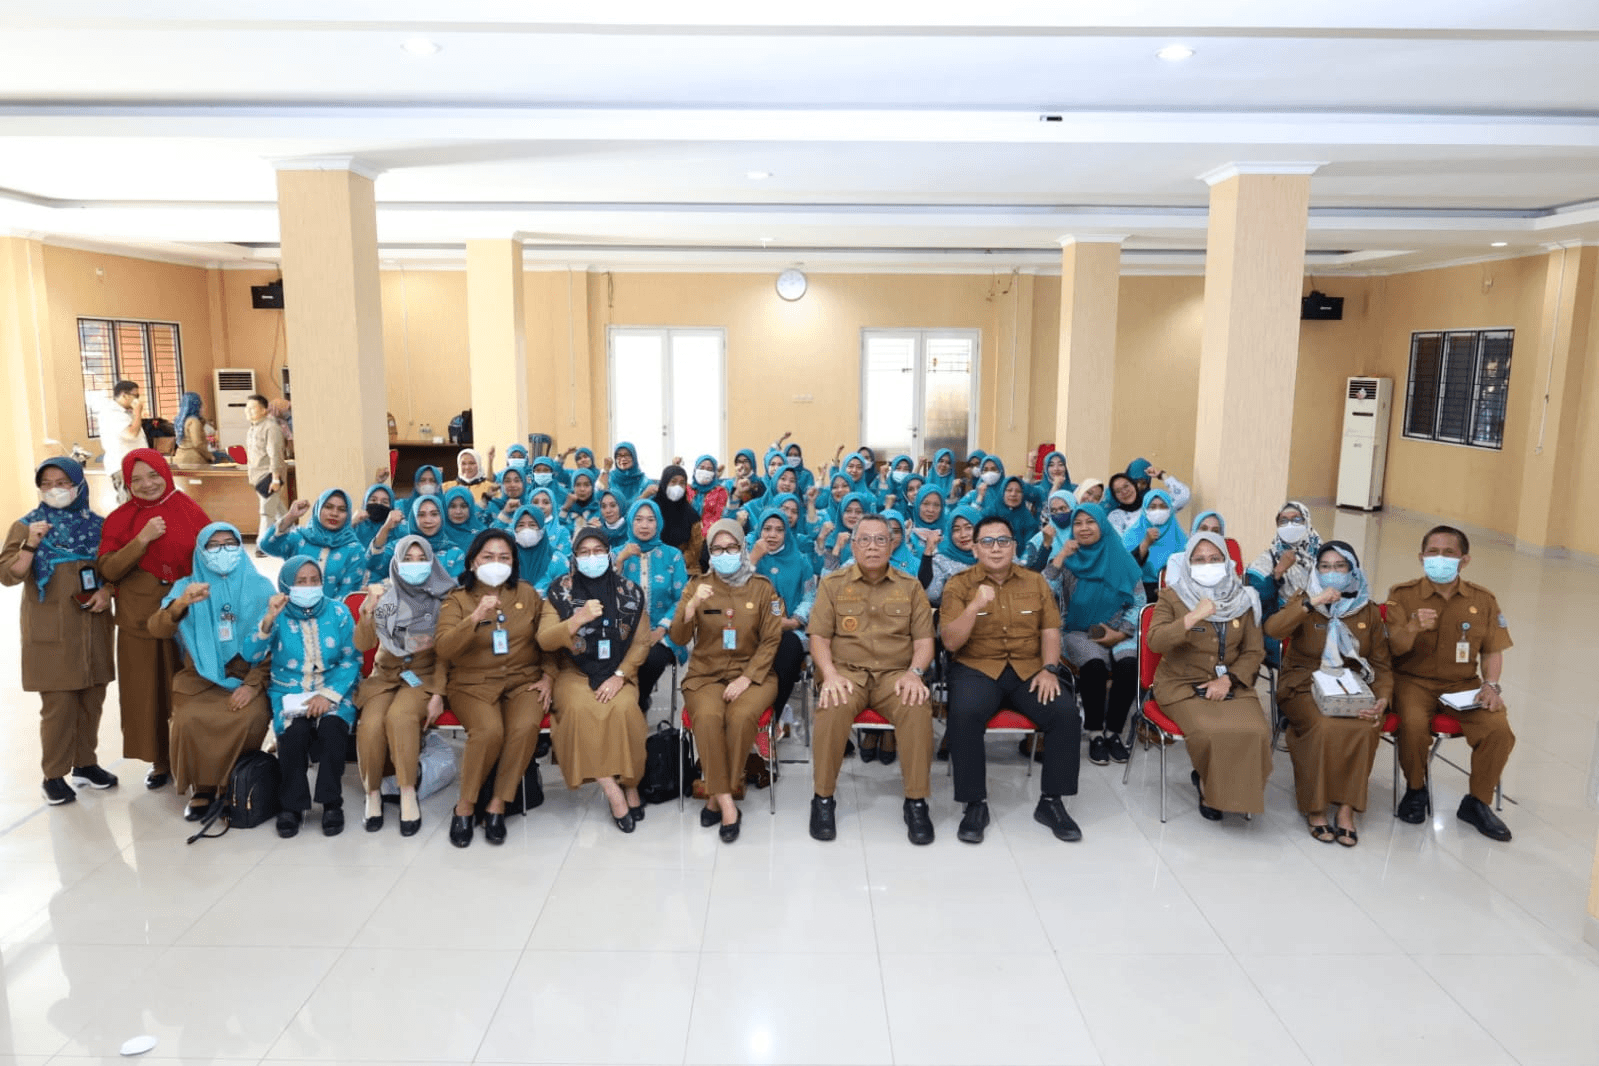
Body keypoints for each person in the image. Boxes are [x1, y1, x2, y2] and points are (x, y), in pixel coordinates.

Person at [940, 516, 1083, 844]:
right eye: (987, 542)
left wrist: (1049, 669)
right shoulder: (959, 585)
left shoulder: (1035, 583)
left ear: (1014, 546)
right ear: (975, 549)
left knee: (1065, 713)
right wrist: (975, 606)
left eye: (1003, 541)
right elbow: (950, 642)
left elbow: (1050, 630)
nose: (996, 548)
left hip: (1029, 669)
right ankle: (974, 804)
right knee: (964, 714)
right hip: (977, 667)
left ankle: (1051, 802)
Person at [807, 515, 937, 845]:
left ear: (892, 545)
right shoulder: (833, 584)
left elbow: (925, 641)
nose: (873, 547)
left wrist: (915, 673)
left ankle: (916, 802)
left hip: (896, 675)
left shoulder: (911, 587)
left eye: (881, 539)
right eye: (864, 540)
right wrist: (830, 674)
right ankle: (823, 799)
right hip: (847, 674)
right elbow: (819, 637)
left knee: (917, 707)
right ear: (853, 546)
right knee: (831, 707)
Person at [1384, 526, 1515, 841]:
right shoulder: (1402, 595)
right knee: (1413, 725)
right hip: (1412, 681)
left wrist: (1491, 685)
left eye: (1448, 553)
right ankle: (1416, 790)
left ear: (1464, 560)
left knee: (1498, 729)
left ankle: (1477, 802)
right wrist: (1412, 627)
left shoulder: (1483, 600)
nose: (1439, 558)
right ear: (1421, 557)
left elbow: (1492, 650)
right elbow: (1393, 648)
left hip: (1463, 684)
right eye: (1432, 552)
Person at [2, 458, 117, 805]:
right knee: (59, 706)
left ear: (79, 485)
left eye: (63, 482)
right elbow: (8, 576)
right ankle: (53, 775)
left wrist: (107, 591)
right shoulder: (27, 526)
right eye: (47, 483)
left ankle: (85, 764)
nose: (55, 489)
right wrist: (31, 544)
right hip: (51, 631)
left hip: (93, 626)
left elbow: (114, 570)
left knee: (92, 698)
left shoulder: (99, 527)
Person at [1265, 541, 1392, 846]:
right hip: (1302, 683)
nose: (1332, 572)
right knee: (1322, 725)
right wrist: (1312, 602)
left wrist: (1382, 699)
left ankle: (1347, 809)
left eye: (1339, 566)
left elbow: (1381, 664)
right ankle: (1317, 807)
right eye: (1325, 567)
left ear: (1353, 570)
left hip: (1351, 684)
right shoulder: (1305, 599)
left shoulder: (1367, 610)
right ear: (1316, 571)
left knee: (1365, 725)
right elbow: (1273, 630)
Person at [98, 449, 210, 789]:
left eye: (153, 475)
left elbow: (213, 556)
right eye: (136, 479)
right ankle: (160, 761)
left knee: (186, 688)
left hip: (185, 617)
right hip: (137, 621)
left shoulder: (189, 510)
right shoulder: (120, 519)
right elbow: (108, 569)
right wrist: (141, 540)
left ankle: (193, 757)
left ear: (165, 473)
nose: (147, 484)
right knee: (147, 695)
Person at [435, 529, 553, 848]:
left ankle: (498, 804)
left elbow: (547, 639)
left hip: (523, 680)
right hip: (472, 683)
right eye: (488, 557)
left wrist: (549, 677)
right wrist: (474, 617)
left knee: (524, 727)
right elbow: (444, 648)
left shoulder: (527, 593)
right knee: (488, 732)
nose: (496, 563)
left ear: (514, 562)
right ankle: (465, 806)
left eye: (504, 557)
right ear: (473, 561)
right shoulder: (457, 599)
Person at [148, 522, 274, 820]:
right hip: (200, 677)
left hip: (248, 676)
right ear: (201, 551)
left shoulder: (262, 587)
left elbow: (275, 643)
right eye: (213, 545)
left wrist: (253, 685)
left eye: (230, 543)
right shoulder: (187, 586)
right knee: (189, 718)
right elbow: (157, 628)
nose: (223, 550)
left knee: (249, 716)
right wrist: (182, 603)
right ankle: (203, 787)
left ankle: (232, 783)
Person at [669, 520, 784, 842]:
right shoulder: (697, 586)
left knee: (741, 717)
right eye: (717, 549)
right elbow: (678, 637)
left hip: (755, 674)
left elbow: (771, 640)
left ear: (742, 548)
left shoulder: (762, 587)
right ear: (709, 552)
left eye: (731, 547)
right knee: (707, 717)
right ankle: (728, 803)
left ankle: (714, 798)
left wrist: (747, 678)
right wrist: (691, 606)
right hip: (706, 674)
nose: (724, 554)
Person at [1146, 532, 1270, 820]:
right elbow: (1156, 642)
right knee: (1208, 732)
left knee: (1257, 731)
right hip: (1181, 685)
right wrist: (1193, 616)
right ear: (1188, 564)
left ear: (1227, 562)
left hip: (1231, 682)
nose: (1208, 565)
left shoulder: (1245, 599)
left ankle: (1233, 791)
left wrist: (1228, 680)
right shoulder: (1172, 596)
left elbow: (1254, 651)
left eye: (1215, 559)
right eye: (1199, 560)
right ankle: (1208, 786)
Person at [537, 528, 651, 832]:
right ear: (574, 557)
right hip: (573, 671)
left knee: (624, 710)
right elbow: (545, 639)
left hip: (618, 670)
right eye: (584, 552)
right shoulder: (560, 591)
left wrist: (620, 676)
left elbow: (642, 642)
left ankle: (630, 783)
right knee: (578, 711)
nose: (592, 557)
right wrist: (576, 620)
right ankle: (612, 790)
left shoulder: (629, 591)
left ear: (609, 554)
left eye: (598, 551)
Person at [245, 556, 360, 837]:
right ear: (286, 584)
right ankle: (291, 805)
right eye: (300, 581)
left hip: (333, 688)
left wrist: (328, 696)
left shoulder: (339, 612)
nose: (308, 586)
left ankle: (331, 802)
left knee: (333, 730)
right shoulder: (277, 614)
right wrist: (268, 620)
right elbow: (252, 655)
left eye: (314, 580)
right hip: (290, 690)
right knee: (294, 734)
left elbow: (351, 659)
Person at [353, 534, 454, 836]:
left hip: (423, 677)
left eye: (421, 559)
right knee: (371, 723)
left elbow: (448, 653)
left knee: (400, 717)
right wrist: (369, 610)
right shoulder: (386, 596)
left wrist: (439, 693)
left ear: (431, 561)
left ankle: (407, 791)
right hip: (385, 676)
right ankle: (373, 794)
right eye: (407, 559)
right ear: (396, 563)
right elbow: (363, 644)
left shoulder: (444, 597)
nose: (414, 565)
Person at [1045, 502, 1143, 765]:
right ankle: (1096, 733)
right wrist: (1060, 556)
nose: (1084, 528)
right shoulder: (1068, 559)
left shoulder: (1122, 557)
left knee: (1128, 666)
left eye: (1091, 522)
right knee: (1095, 667)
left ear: (1103, 525)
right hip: (1079, 630)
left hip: (1120, 628)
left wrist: (1120, 633)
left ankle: (1113, 732)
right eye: (1078, 523)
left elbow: (1138, 602)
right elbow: (1043, 591)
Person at [615, 499, 689, 713]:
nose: (644, 525)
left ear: (659, 523)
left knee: (651, 659)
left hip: (661, 631)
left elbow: (682, 598)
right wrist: (619, 562)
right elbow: (606, 594)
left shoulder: (673, 556)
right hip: (624, 631)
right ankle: (628, 706)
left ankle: (639, 702)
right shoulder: (619, 553)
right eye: (638, 519)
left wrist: (662, 628)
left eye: (650, 520)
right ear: (630, 522)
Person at [747, 504, 816, 718]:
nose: (772, 535)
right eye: (767, 529)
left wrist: (795, 620)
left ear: (787, 532)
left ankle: (773, 716)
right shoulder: (748, 557)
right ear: (759, 530)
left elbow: (809, 596)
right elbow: (735, 589)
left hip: (788, 628)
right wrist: (753, 559)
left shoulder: (801, 561)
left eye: (779, 529)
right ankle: (750, 711)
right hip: (751, 627)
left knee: (788, 650)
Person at [260, 488, 370, 599]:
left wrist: (323, 610)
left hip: (334, 609)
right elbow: (266, 545)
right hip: (293, 607)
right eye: (328, 507)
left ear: (348, 515)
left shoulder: (355, 550)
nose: (334, 513)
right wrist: (290, 517)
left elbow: (347, 594)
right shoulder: (299, 538)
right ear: (318, 509)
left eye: (341, 510)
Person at [1246, 499, 1322, 630]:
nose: (1290, 525)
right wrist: (1279, 571)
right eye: (1283, 521)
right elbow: (1254, 599)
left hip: (1314, 625)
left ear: (1307, 522)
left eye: (1297, 519)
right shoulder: (1266, 559)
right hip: (1280, 627)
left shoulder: (1322, 555)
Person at [370, 496, 464, 577]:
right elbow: (373, 564)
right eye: (421, 515)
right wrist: (386, 528)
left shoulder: (455, 554)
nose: (428, 520)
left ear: (442, 517)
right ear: (413, 518)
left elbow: (455, 587)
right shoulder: (398, 547)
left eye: (434, 514)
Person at [1122, 489, 1186, 601]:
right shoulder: (1131, 535)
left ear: (1170, 510)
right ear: (1144, 510)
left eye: (1163, 506)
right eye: (1152, 507)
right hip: (1140, 594)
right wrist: (1146, 543)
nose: (1158, 510)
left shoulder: (1180, 537)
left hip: (1173, 595)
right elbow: (1126, 568)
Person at [244, 393, 288, 549]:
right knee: (279, 512)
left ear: (264, 410)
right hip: (256, 477)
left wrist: (275, 479)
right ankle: (296, 537)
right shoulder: (252, 428)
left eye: (252, 408)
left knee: (266, 512)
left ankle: (261, 546)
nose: (248, 411)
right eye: (247, 408)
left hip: (268, 476)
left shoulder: (271, 427)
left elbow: (275, 454)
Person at [93, 380, 149, 502]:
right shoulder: (112, 413)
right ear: (124, 395)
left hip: (135, 466)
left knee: (142, 503)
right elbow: (131, 434)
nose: (138, 400)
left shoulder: (123, 413)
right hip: (123, 466)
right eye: (135, 396)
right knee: (130, 504)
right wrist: (137, 412)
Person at [505, 505, 568, 594]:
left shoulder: (557, 560)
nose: (526, 529)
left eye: (532, 525)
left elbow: (564, 596)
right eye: (521, 525)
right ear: (514, 529)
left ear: (542, 528)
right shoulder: (506, 559)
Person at [172, 391, 214, 468]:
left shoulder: (180, 421)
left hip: (180, 459)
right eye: (201, 405)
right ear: (196, 406)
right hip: (193, 460)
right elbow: (197, 444)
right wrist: (210, 456)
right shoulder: (193, 421)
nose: (202, 408)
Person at [604, 442, 651, 507]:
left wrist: (645, 496)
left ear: (634, 457)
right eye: (619, 456)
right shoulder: (610, 478)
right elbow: (599, 497)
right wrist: (605, 470)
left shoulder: (644, 481)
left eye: (627, 455)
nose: (623, 459)